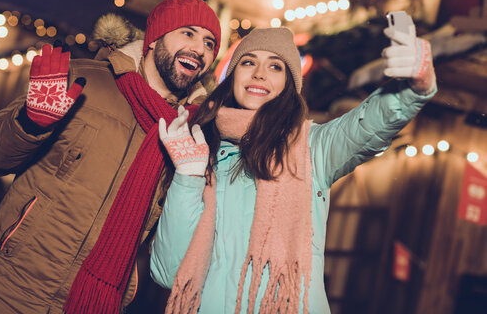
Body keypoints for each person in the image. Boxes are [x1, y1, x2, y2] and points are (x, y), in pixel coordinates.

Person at [0, 0, 221, 314]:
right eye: (189, 34)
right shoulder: (84, 82)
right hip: (3, 291)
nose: (200, 49)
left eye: (210, 43)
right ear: (154, 38)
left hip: (94, 305)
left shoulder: (191, 136)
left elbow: (169, 247)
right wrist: (30, 123)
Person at [150, 25, 437, 313]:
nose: (259, 73)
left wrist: (412, 89)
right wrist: (188, 177)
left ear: (289, 84)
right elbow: (168, 272)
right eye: (248, 62)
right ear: (233, 75)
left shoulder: (312, 148)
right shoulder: (202, 153)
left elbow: (363, 126)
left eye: (275, 66)